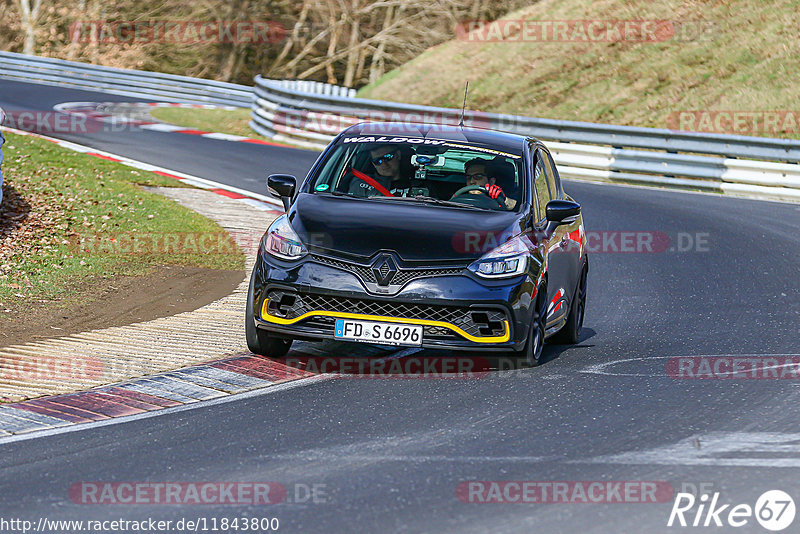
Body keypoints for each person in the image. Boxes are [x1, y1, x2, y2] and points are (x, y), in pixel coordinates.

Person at [347, 144, 418, 197]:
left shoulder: (419, 183)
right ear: (373, 164)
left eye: (387, 157)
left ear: (398, 155)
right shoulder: (361, 184)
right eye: (377, 161)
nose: (384, 164)